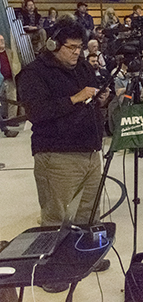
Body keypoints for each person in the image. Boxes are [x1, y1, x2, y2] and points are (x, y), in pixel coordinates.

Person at [17, 17, 111, 289]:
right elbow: (37, 113)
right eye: (70, 47)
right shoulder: (34, 73)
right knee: (56, 217)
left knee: (88, 213)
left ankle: (84, 260)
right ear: (53, 44)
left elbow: (90, 95)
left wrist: (101, 98)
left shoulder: (82, 65)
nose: (76, 53)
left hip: (90, 150)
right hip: (57, 154)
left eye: (79, 47)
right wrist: (75, 98)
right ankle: (50, 274)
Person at [0, 34, 21, 135]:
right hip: (0, 80)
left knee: (12, 99)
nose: (2, 42)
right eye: (0, 40)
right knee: (3, 102)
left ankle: (11, 120)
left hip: (9, 79)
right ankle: (4, 122)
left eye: (3, 40)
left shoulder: (9, 52)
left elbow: (15, 64)